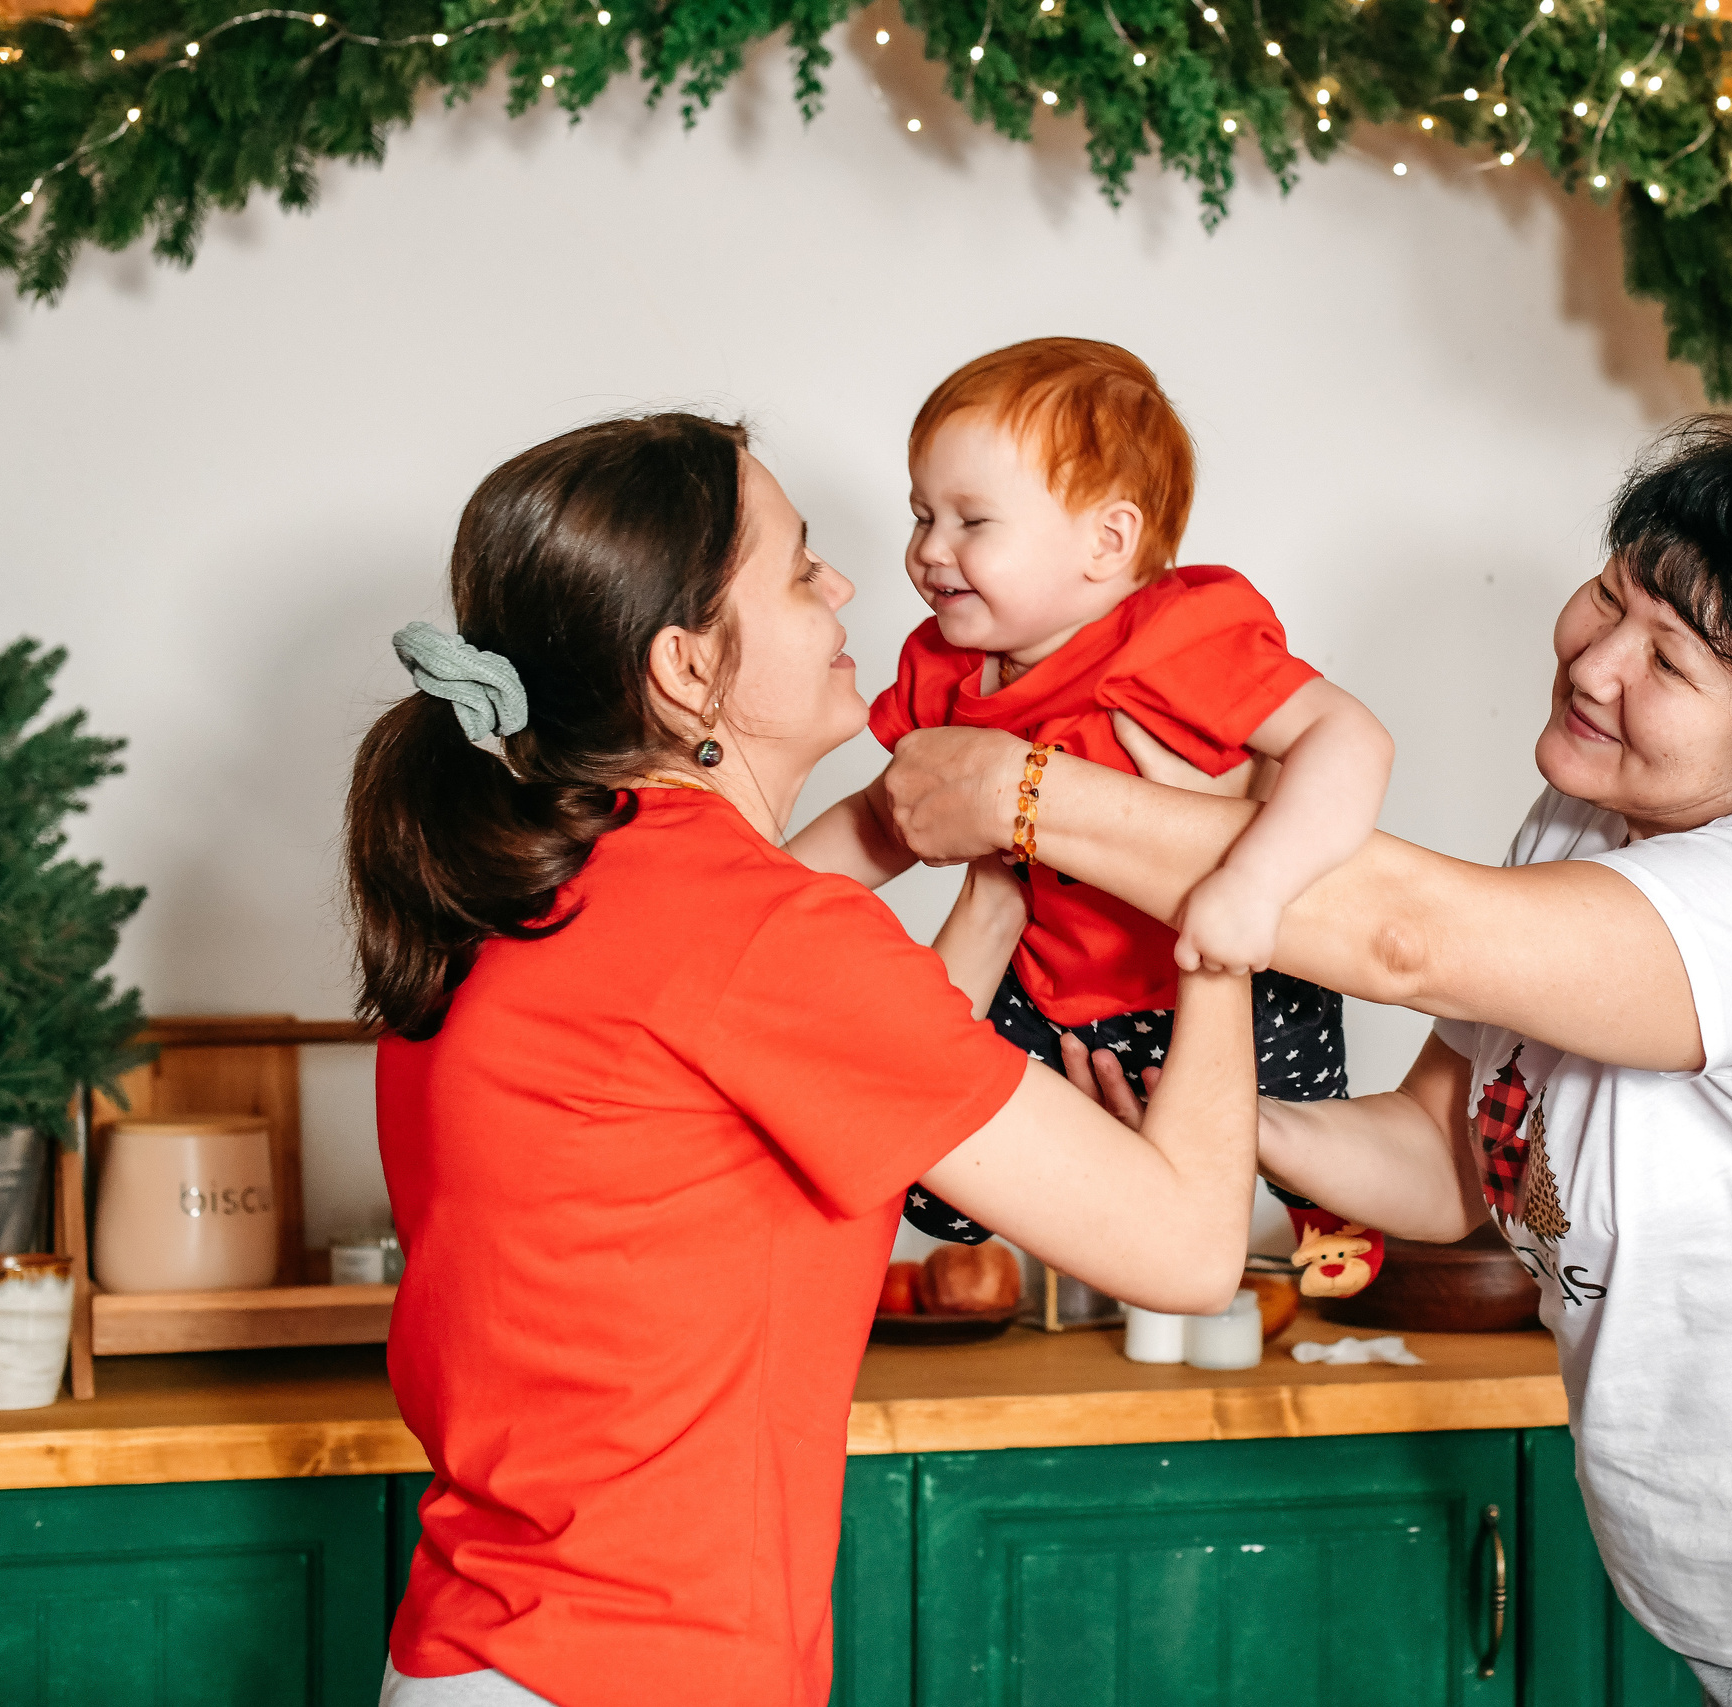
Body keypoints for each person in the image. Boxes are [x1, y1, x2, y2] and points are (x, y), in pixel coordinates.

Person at [874, 418, 1732, 1705]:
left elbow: (1407, 936)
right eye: (1612, 597)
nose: (1595, 661)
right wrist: (1233, 1129)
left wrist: (1031, 794)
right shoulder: (1583, 820)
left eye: (1668, 660)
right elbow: (1447, 1160)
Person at [343, 412, 1259, 1707]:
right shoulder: (745, 929)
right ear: (684, 668)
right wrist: (1225, 901)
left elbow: (816, 1067)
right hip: (636, 1672)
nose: (843, 585)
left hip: (492, 1652)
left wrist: (990, 863)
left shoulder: (557, 877)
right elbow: (1188, 1250)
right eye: (798, 565)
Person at [784, 337, 1399, 1295]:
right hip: (1054, 984)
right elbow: (882, 819)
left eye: (971, 520)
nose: (928, 551)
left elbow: (1350, 737)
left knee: (1292, 1096)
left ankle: (1326, 1201)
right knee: (935, 1174)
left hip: (1207, 959)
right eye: (921, 514)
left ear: (1108, 542)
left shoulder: (1174, 642)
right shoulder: (948, 670)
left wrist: (1255, 881)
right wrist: (761, 891)